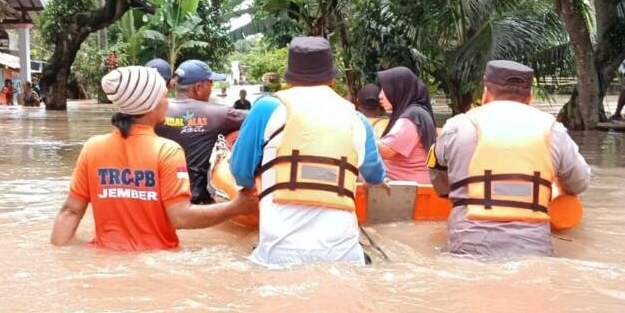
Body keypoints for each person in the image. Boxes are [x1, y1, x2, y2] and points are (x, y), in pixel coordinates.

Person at [51, 66, 257, 251]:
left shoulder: (92, 147)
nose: (168, 102)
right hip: (156, 257)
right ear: (151, 105)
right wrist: (236, 206)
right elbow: (181, 217)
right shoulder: (167, 151)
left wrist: (60, 256)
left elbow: (70, 211)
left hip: (104, 256)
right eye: (164, 97)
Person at [230, 36, 387, 266]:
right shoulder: (358, 119)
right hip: (344, 256)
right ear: (332, 79)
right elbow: (374, 175)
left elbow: (240, 173)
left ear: (289, 79)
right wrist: (381, 180)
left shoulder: (267, 108)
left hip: (278, 254)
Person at [429, 60, 590, 258]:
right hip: (533, 251)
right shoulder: (554, 131)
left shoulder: (456, 127)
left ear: (485, 94)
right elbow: (579, 182)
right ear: (529, 98)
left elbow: (438, 178)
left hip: (467, 247)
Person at [155, 59, 248, 204]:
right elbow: (258, 116)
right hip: (198, 202)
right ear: (198, 87)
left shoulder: (155, 111)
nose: (212, 88)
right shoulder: (219, 114)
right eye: (211, 83)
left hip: (161, 196)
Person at [376, 66, 436, 182]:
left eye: (385, 89)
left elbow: (386, 151)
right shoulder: (416, 113)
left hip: (407, 188)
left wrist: (362, 135)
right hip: (404, 184)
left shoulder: (411, 119)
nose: (380, 96)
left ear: (399, 90)